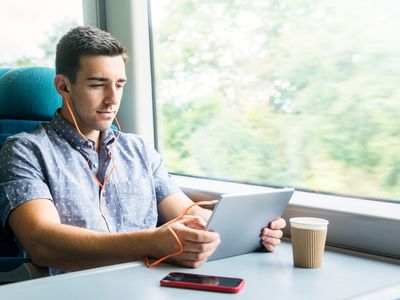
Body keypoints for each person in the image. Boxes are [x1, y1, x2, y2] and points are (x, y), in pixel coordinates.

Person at [0, 26, 286, 275]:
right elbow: (42, 243)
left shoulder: (138, 150)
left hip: (150, 283)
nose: (112, 99)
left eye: (119, 85)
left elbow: (188, 214)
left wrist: (252, 230)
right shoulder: (24, 150)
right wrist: (151, 242)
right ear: (63, 86)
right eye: (98, 85)